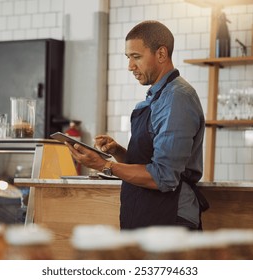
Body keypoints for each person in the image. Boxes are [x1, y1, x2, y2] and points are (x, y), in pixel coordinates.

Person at [66, 20, 205, 230]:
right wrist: (119, 152)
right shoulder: (155, 98)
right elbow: (149, 162)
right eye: (128, 57)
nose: (130, 66)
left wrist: (104, 165)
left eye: (136, 57)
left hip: (169, 220)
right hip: (145, 216)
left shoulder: (177, 98)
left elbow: (164, 177)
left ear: (161, 54)